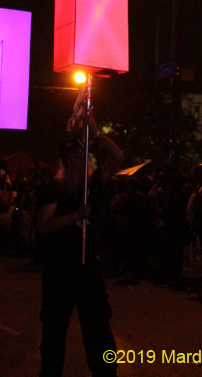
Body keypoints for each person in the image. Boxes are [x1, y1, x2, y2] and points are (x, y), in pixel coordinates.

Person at [36, 112, 122, 377]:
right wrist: (75, 216)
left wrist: (95, 132)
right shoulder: (53, 188)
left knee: (98, 331)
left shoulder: (94, 182)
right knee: (54, 333)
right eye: (69, 157)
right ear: (62, 160)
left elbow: (117, 159)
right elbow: (44, 225)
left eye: (78, 155)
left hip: (88, 269)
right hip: (60, 270)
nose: (74, 160)